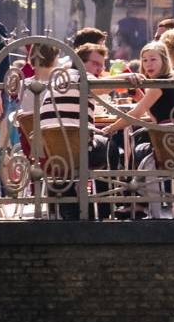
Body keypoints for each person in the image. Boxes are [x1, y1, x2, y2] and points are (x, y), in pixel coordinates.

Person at [19, 43, 112, 219]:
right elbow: (103, 86)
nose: (100, 68)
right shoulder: (82, 78)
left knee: (77, 144)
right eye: (95, 63)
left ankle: (69, 203)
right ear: (80, 62)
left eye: (102, 64)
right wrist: (130, 78)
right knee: (110, 147)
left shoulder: (60, 79)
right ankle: (107, 209)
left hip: (48, 154)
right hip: (73, 152)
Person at [102, 42, 174, 135]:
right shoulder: (173, 78)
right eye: (145, 60)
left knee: (130, 138)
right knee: (138, 134)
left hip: (171, 140)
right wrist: (141, 98)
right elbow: (156, 118)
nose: (148, 64)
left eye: (153, 59)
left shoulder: (160, 83)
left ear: (164, 61)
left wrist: (109, 128)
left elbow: (136, 114)